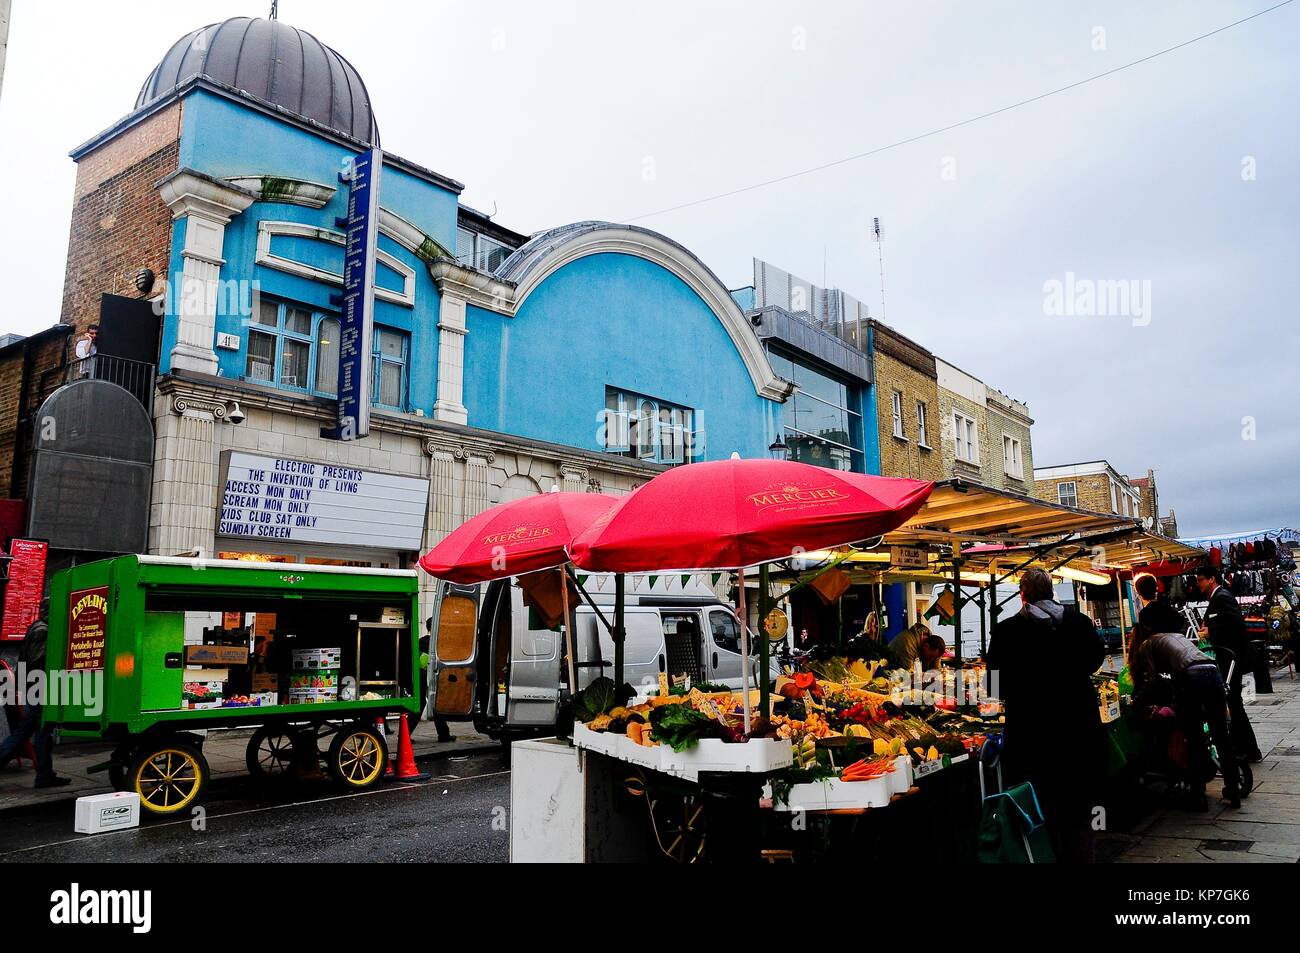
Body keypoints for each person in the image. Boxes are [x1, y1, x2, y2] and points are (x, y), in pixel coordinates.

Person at [985, 568, 1106, 862]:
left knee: (1038, 807)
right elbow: (1094, 662)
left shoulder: (1006, 631)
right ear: (1052, 591)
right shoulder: (1079, 623)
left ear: (1023, 595)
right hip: (1078, 731)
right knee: (1079, 810)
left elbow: (994, 686)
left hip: (1031, 737)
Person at [1129, 624, 1241, 809]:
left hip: (1191, 675)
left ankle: (1198, 795)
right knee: (1221, 735)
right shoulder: (1174, 635)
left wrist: (1137, 701)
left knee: (1194, 737)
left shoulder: (1146, 645)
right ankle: (1233, 789)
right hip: (1212, 670)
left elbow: (1151, 680)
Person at [0, 598, 72, 787]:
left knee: (40, 732)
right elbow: (39, 660)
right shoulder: (43, 630)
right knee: (28, 732)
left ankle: (44, 775)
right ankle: (44, 775)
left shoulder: (38, 627)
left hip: (35, 686)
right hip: (39, 687)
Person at [1195, 567, 1262, 762]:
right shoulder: (1217, 598)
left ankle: (1249, 750)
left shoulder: (1222, 596)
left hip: (1233, 661)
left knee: (1234, 704)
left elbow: (1237, 625)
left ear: (1212, 579)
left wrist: (1211, 632)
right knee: (1232, 704)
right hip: (1228, 660)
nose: (1198, 584)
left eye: (1201, 580)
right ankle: (1243, 748)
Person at [416, 623, 454, 742]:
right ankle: (443, 735)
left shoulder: (420, 641)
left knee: (423, 703)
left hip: (420, 676)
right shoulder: (437, 643)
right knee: (436, 704)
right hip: (433, 676)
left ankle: (443, 734)